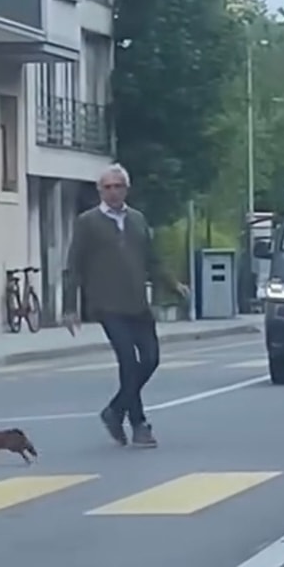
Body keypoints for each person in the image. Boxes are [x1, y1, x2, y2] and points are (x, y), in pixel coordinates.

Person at [63, 164, 189, 448]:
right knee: (128, 362)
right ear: (99, 191)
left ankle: (115, 410)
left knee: (151, 358)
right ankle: (139, 424)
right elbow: (74, 266)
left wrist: (173, 284)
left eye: (118, 186)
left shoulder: (138, 220)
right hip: (106, 305)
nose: (113, 192)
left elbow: (152, 260)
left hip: (137, 303)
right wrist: (70, 307)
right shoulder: (88, 222)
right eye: (107, 187)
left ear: (126, 189)